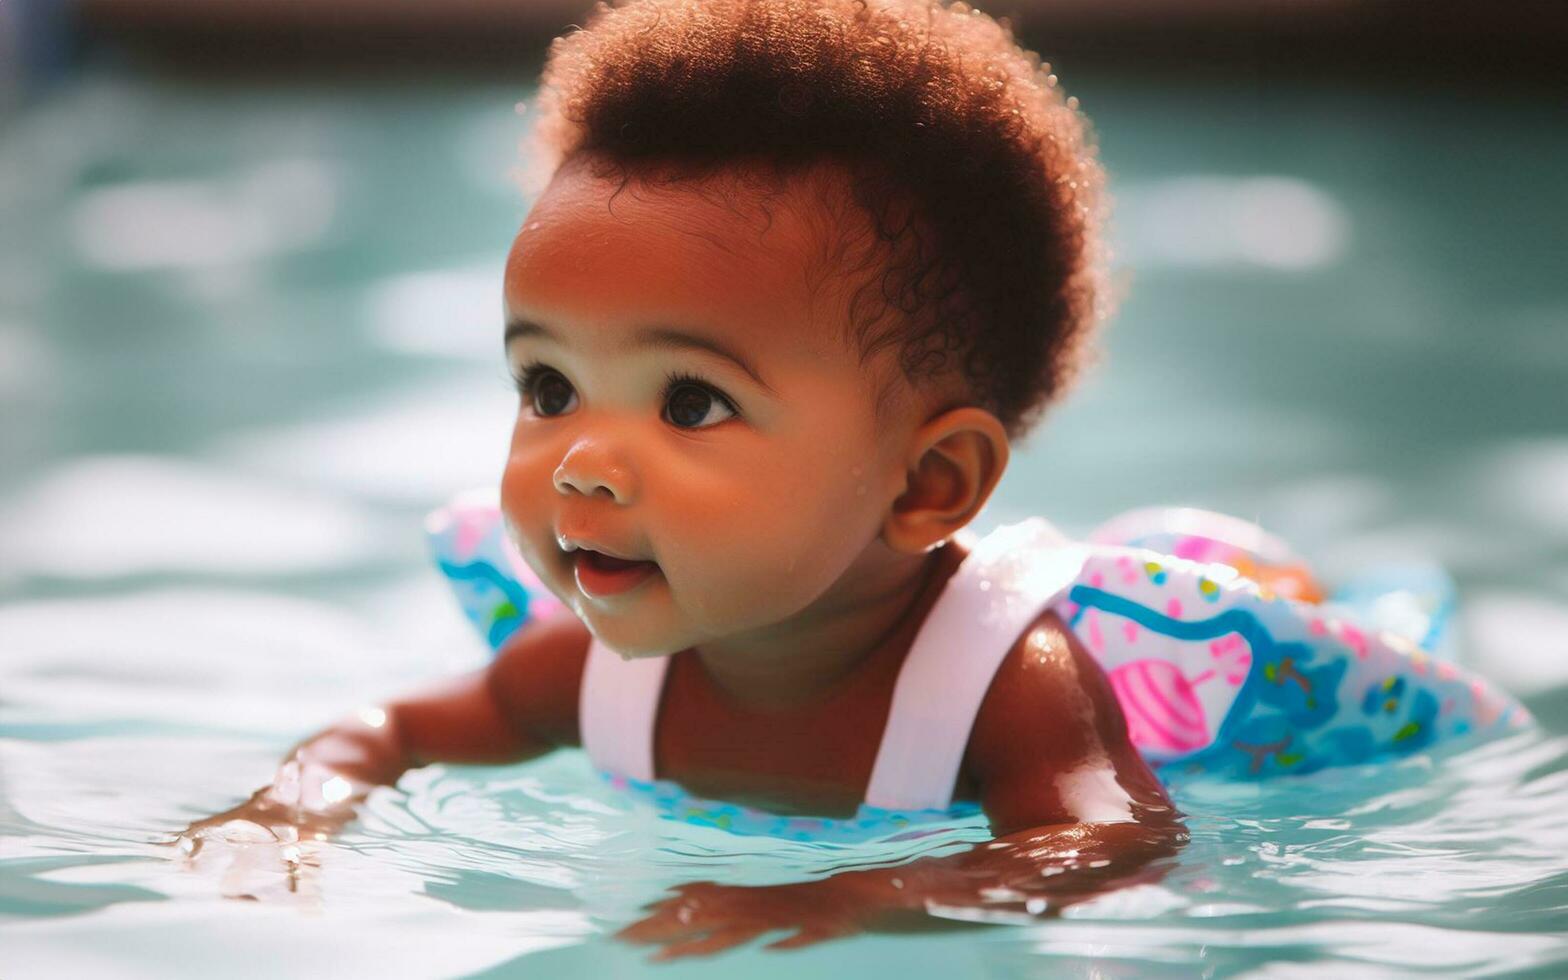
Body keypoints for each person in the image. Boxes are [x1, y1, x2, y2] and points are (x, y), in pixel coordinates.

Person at [177, 0, 1521, 959]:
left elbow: (1111, 844)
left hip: (1222, 717)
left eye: (690, 401)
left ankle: (1254, 585)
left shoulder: (1013, 684)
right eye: (546, 387)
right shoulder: (593, 667)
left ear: (929, 484)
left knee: (1234, 586)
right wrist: (291, 805)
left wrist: (850, 901)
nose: (580, 461)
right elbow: (387, 730)